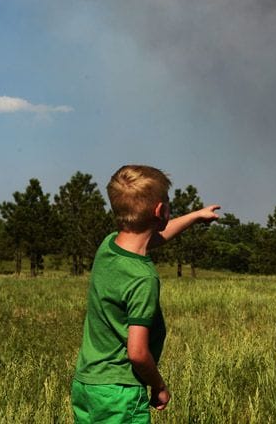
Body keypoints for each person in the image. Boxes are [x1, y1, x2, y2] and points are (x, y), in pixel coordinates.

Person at [70, 165, 220, 423]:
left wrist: (195, 216)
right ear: (160, 211)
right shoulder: (143, 278)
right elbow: (137, 352)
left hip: (87, 384)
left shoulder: (108, 245)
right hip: (120, 392)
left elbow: (154, 237)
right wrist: (159, 385)